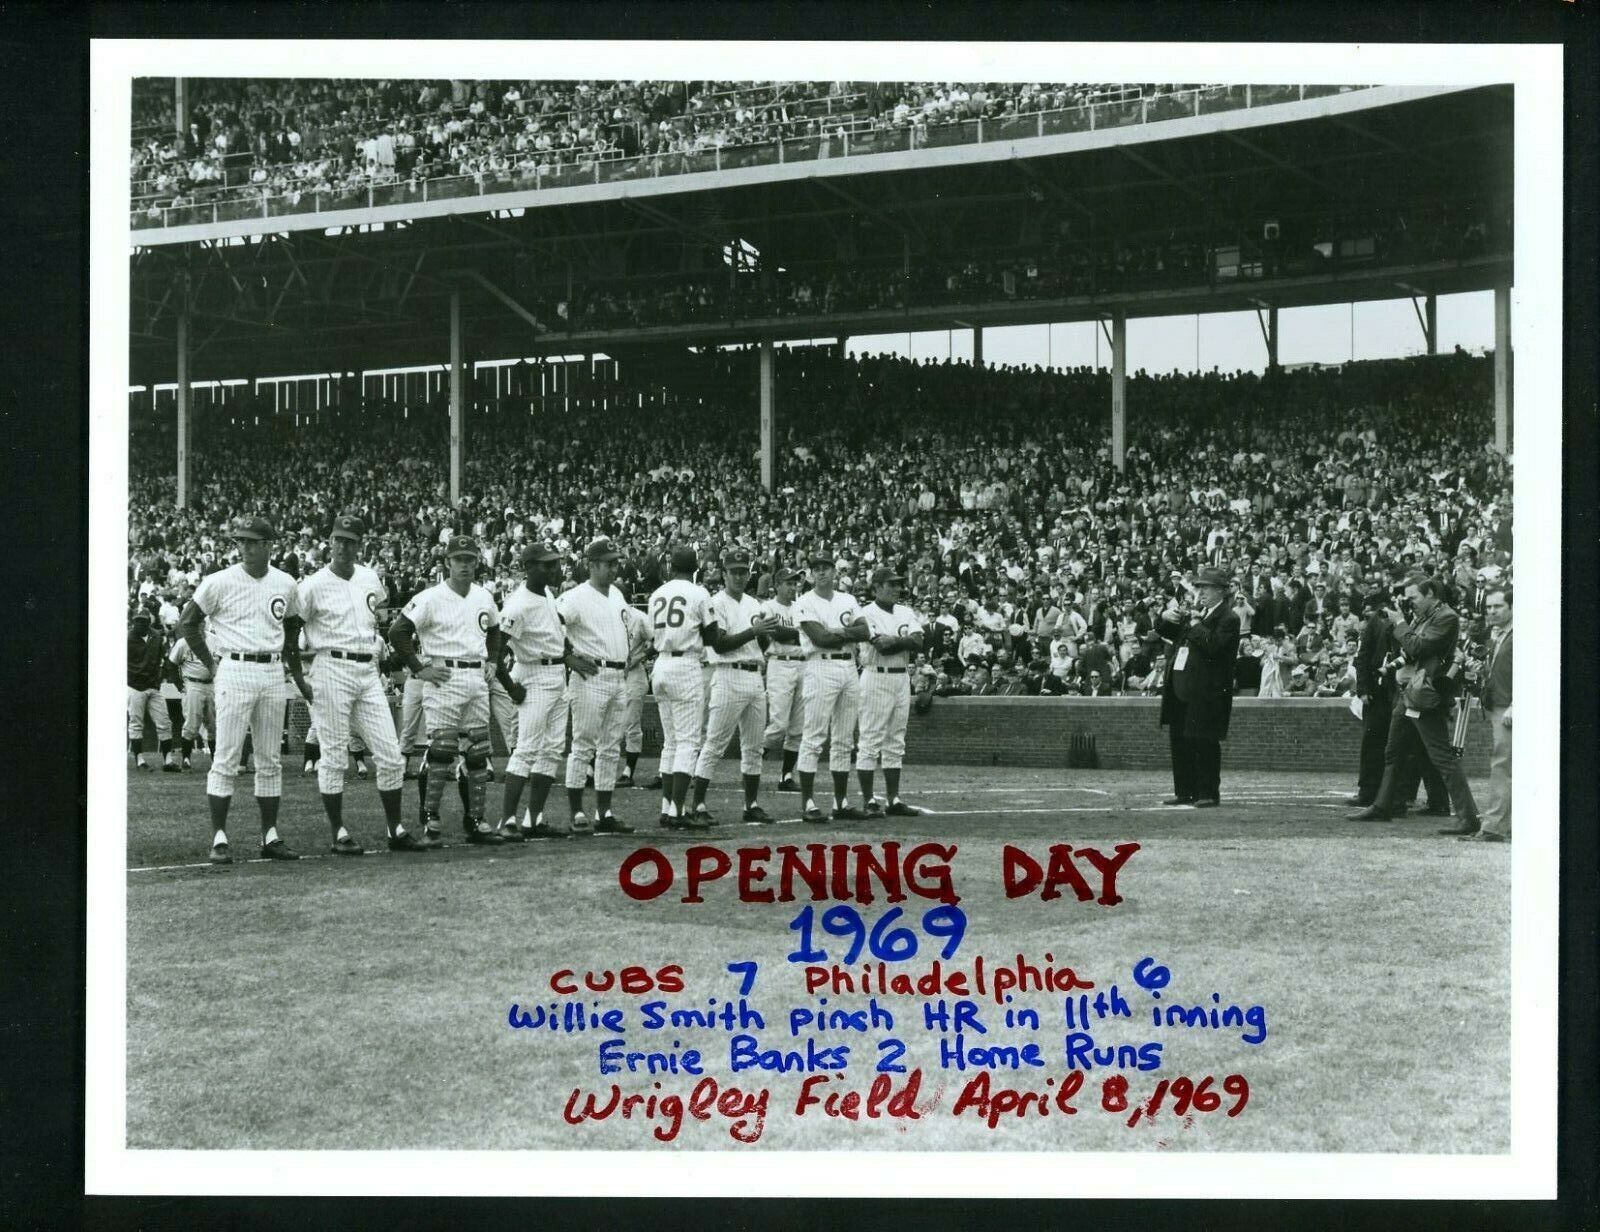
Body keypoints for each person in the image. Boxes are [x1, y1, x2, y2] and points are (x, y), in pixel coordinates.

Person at [174, 515, 301, 863]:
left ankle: (270, 835)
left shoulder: (286, 582)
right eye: (239, 542)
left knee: (269, 758)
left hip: (272, 670)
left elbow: (292, 626)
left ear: (268, 545)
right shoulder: (219, 581)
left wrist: (293, 668)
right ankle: (219, 836)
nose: (243, 548)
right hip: (234, 666)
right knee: (226, 756)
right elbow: (188, 623)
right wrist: (212, 664)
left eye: (251, 542)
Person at [288, 511, 413, 854]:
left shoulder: (370, 578)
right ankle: (338, 831)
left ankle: (395, 828)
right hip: (330, 666)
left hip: (366, 667)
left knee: (390, 753)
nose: (343, 547)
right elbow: (290, 631)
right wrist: (299, 676)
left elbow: (380, 616)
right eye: (338, 540)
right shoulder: (312, 584)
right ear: (330, 542)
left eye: (350, 541)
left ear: (359, 545)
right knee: (333, 756)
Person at [387, 534, 506, 847]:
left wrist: (493, 659)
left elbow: (494, 630)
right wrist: (418, 667)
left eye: (470, 559)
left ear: (477, 562)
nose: (465, 565)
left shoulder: (484, 596)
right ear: (447, 563)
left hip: (476, 675)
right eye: (458, 560)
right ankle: (431, 821)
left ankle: (476, 819)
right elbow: (398, 630)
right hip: (443, 674)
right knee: (441, 750)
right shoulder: (431, 597)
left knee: (478, 751)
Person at [1350, 574, 1483, 833]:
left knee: (1441, 756)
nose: (1410, 602)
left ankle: (1468, 817)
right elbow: (1410, 649)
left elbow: (1417, 645)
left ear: (1431, 593)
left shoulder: (1447, 617)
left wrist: (1400, 623)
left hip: (1426, 695)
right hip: (1410, 692)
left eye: (1414, 597)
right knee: (1393, 750)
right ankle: (1383, 805)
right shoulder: (1426, 617)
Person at [691, 548, 778, 823]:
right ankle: (698, 806)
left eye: (743, 571)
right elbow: (720, 644)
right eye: (734, 572)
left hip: (754, 674)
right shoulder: (716, 603)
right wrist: (754, 631)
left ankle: (751, 804)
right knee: (715, 743)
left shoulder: (755, 604)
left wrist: (764, 633)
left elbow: (762, 645)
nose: (739, 576)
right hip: (728, 674)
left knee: (753, 746)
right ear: (724, 574)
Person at [495, 542, 574, 841]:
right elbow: (497, 649)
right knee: (527, 749)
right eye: (546, 564)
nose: (554, 569)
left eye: (555, 563)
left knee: (552, 749)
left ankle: (534, 819)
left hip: (556, 673)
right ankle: (508, 821)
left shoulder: (547, 594)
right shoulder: (518, 604)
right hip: (534, 674)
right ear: (528, 567)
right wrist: (510, 685)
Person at [557, 537, 636, 835]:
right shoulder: (576, 595)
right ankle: (577, 811)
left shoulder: (616, 593)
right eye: (608, 563)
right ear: (592, 565)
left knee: (611, 747)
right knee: (583, 744)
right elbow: (553, 624)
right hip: (590, 674)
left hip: (617, 674)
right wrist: (567, 657)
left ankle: (605, 812)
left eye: (616, 562)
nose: (614, 568)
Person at [793, 555, 872, 823]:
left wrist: (836, 632)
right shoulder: (804, 601)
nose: (822, 573)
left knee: (844, 738)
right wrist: (844, 632)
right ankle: (808, 802)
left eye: (826, 568)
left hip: (848, 667)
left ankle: (841, 802)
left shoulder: (847, 599)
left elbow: (865, 631)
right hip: (819, 666)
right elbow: (820, 638)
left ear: (834, 572)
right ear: (811, 574)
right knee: (814, 735)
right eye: (816, 569)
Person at [1155, 565, 1241, 808]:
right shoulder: (1197, 615)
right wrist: (1164, 616)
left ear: (1221, 592)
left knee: (1204, 741)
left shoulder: (1228, 618)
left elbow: (1213, 646)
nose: (1200, 592)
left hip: (1207, 692)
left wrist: (1193, 623)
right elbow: (1163, 632)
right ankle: (1185, 790)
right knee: (1180, 741)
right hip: (1183, 688)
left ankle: (1207, 792)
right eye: (1199, 587)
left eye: (1206, 588)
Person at [647, 544, 717, 830]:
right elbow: (712, 636)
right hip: (686, 663)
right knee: (688, 742)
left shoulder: (656, 594)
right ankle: (677, 811)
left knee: (671, 742)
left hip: (661, 663)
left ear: (670, 566)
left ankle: (667, 808)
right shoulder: (699, 592)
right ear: (696, 566)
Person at [853, 567, 926, 818]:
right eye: (890, 584)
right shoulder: (864, 613)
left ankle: (893, 799)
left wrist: (895, 640)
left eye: (898, 584)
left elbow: (919, 641)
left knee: (896, 740)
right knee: (870, 740)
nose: (897, 588)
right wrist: (901, 640)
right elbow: (881, 646)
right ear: (876, 588)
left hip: (901, 676)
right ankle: (869, 800)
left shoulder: (905, 610)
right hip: (876, 675)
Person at [1466, 585, 1512, 843]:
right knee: (1505, 765)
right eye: (1489, 607)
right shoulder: (1499, 635)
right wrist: (1481, 670)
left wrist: (1517, 703)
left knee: (1502, 765)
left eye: (1498, 607)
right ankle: (1502, 826)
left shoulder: (1519, 635)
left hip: (1508, 708)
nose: (1492, 611)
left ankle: (1494, 827)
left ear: (1512, 608)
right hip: (1498, 706)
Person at [757, 567, 806, 792]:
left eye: (795, 583)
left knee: (798, 728)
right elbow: (775, 631)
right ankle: (752, 765)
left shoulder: (800, 606)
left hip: (802, 663)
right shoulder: (768, 606)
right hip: (779, 662)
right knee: (778, 724)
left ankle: (786, 776)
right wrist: (800, 631)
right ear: (777, 585)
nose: (793, 586)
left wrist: (794, 632)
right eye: (788, 583)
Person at [1348, 589, 1394, 807]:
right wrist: (1364, 689)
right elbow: (1363, 657)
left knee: (1386, 744)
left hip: (1391, 691)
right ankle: (1368, 791)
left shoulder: (1395, 622)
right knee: (1374, 742)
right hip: (1378, 691)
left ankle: (1390, 794)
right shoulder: (1376, 624)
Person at [127, 612, 179, 772]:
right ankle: (139, 760)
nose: (139, 625)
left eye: (143, 623)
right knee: (136, 723)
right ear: (133, 624)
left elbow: (161, 657)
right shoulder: (128, 639)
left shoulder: (155, 636)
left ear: (148, 624)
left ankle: (168, 760)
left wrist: (159, 677)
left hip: (152, 685)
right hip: (134, 686)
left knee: (164, 722)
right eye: (137, 623)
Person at [167, 620, 215, 769]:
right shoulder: (183, 642)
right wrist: (178, 684)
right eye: (197, 624)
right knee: (191, 724)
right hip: (193, 684)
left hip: (212, 684)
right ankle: (186, 759)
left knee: (214, 725)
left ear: (204, 625)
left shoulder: (215, 640)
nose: (200, 626)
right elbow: (171, 664)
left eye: (201, 623)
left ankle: (216, 761)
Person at [617, 600, 653, 790]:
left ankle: (628, 771)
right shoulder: (605, 614)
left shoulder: (639, 617)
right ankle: (591, 770)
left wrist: (639, 657)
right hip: (612, 673)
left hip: (634, 673)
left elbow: (656, 640)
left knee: (631, 724)